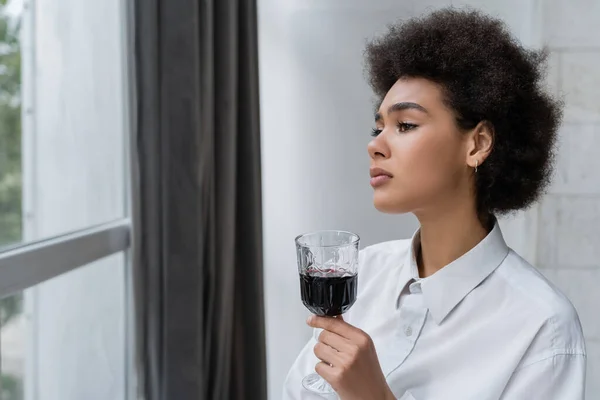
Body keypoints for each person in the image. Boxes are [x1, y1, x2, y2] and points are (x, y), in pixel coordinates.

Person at [283, 7, 587, 400]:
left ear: (477, 144)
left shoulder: (542, 326)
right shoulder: (364, 274)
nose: (375, 145)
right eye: (378, 127)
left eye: (405, 125)